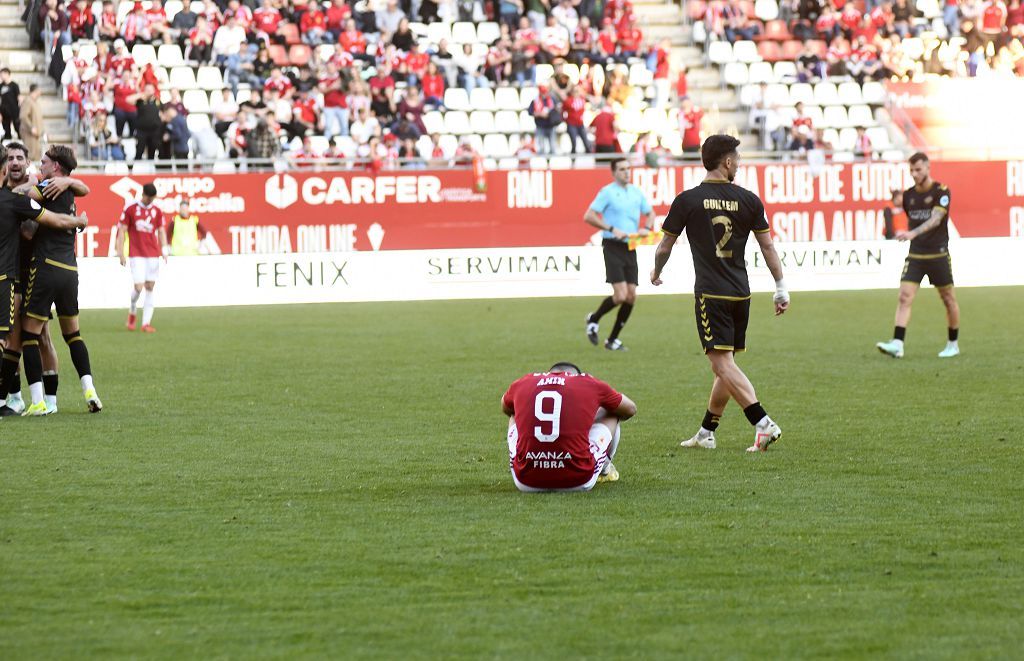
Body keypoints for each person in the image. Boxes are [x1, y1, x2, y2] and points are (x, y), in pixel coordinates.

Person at [650, 134, 789, 452]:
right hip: (741, 294)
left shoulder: (687, 200)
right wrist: (781, 287)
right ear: (726, 162)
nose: (738, 163)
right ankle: (706, 432)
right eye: (737, 159)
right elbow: (767, 246)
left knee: (722, 364)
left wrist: (656, 272)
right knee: (724, 364)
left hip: (711, 294)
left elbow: (664, 246)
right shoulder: (749, 200)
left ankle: (762, 423)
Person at [15, 146, 102, 416]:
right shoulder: (70, 190)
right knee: (72, 335)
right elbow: (85, 189)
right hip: (70, 269)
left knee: (29, 335)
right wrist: (70, 180)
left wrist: (33, 185)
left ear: (56, 167)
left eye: (44, 163)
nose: (40, 167)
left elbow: (27, 198)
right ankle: (90, 390)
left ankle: (38, 400)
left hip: (46, 267)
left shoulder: (46, 187)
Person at [501, 361, 637, 492]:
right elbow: (630, 409)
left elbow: (506, 408)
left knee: (515, 412)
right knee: (612, 411)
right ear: (575, 375)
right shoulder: (588, 382)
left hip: (526, 481)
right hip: (578, 479)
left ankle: (531, 459)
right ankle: (605, 469)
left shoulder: (524, 381)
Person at [876, 152, 960, 359]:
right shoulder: (908, 196)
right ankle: (897, 343)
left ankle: (953, 343)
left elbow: (936, 219)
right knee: (904, 296)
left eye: (918, 169)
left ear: (928, 168)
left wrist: (913, 232)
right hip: (916, 254)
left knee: (948, 299)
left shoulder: (942, 191)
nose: (914, 174)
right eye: (911, 170)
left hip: (938, 254)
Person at [583, 158, 656, 351]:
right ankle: (594, 318)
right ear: (614, 172)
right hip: (612, 245)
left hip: (630, 246)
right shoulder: (607, 192)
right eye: (622, 169)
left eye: (628, 168)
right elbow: (588, 215)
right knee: (621, 295)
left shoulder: (636, 192)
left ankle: (612, 340)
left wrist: (646, 228)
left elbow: (651, 213)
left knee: (631, 296)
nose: (626, 172)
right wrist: (611, 228)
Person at [115, 182, 169, 333]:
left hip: (153, 253)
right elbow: (122, 231)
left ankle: (146, 323)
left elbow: (161, 231)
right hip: (136, 254)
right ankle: (132, 310)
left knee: (150, 287)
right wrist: (120, 252)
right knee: (138, 287)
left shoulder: (157, 211)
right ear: (143, 195)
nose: (150, 201)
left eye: (153, 199)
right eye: (148, 198)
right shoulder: (131, 209)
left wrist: (164, 249)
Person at [19, 85, 44, 162]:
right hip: (29, 134)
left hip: (36, 136)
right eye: (39, 91)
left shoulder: (34, 102)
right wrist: (31, 128)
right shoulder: (28, 101)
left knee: (36, 157)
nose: (40, 93)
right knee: (30, 157)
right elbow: (23, 116)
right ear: (35, 91)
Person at [0, 68, 20, 140]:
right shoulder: (1, 86)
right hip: (4, 111)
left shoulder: (14, 85)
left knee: (17, 128)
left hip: (14, 111)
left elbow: (18, 97)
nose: (1, 76)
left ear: (7, 74)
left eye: (2, 74)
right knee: (6, 131)